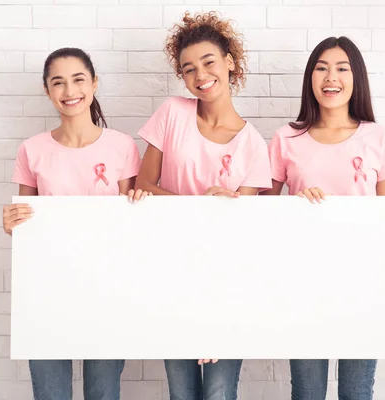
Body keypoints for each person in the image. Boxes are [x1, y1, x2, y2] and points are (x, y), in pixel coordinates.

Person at [262, 36, 385, 400]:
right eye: (321, 68)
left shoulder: (379, 139)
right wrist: (295, 204)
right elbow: (262, 213)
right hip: (303, 281)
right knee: (308, 392)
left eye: (342, 68)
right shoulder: (286, 138)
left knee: (357, 392)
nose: (331, 77)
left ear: (356, 77)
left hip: (365, 281)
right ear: (310, 78)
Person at [133, 11, 272, 400]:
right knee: (181, 393)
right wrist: (201, 207)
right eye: (188, 68)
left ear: (229, 62)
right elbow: (144, 185)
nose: (200, 75)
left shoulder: (254, 145)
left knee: (219, 393)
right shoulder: (172, 113)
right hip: (172, 272)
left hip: (227, 282)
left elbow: (238, 233)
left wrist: (218, 312)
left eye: (209, 62)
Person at [2, 47, 149, 400]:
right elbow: (26, 221)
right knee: (51, 393)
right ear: (47, 90)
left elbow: (129, 220)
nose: (69, 91)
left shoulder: (122, 146)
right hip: (47, 288)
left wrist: (142, 207)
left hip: (107, 286)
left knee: (103, 392)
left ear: (94, 84)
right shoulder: (32, 150)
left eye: (78, 79)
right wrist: (12, 223)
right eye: (58, 82)